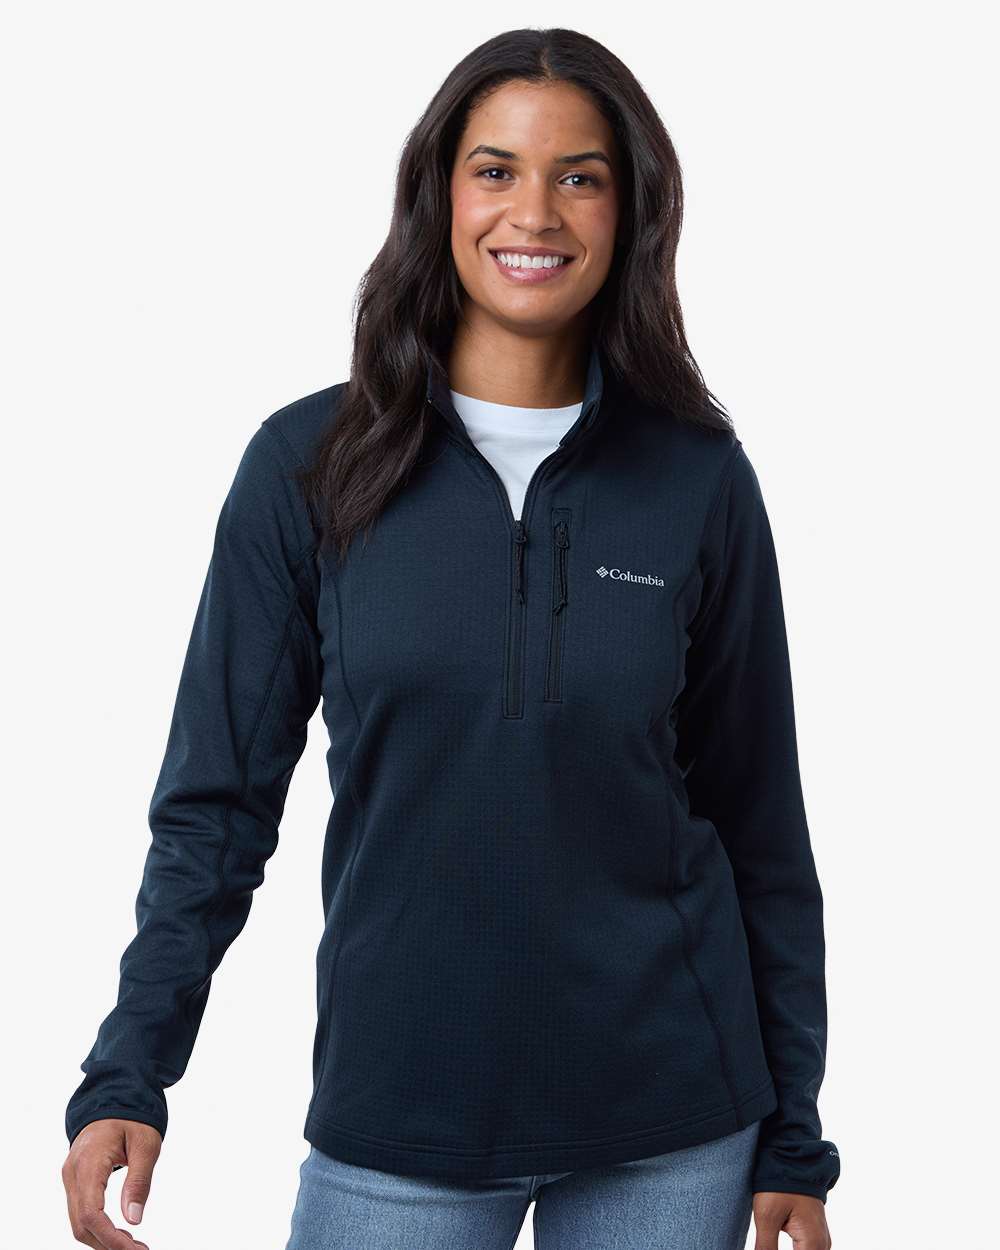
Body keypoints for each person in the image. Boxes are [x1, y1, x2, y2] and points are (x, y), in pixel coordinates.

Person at [62, 26, 839, 1250]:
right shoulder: (308, 467)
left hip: (674, 1122)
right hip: (399, 1114)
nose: (535, 212)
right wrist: (130, 1068)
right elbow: (215, 809)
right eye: (495, 169)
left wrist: (793, 1131)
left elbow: (760, 827)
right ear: (440, 193)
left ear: (631, 211)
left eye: (579, 175)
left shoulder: (697, 479)